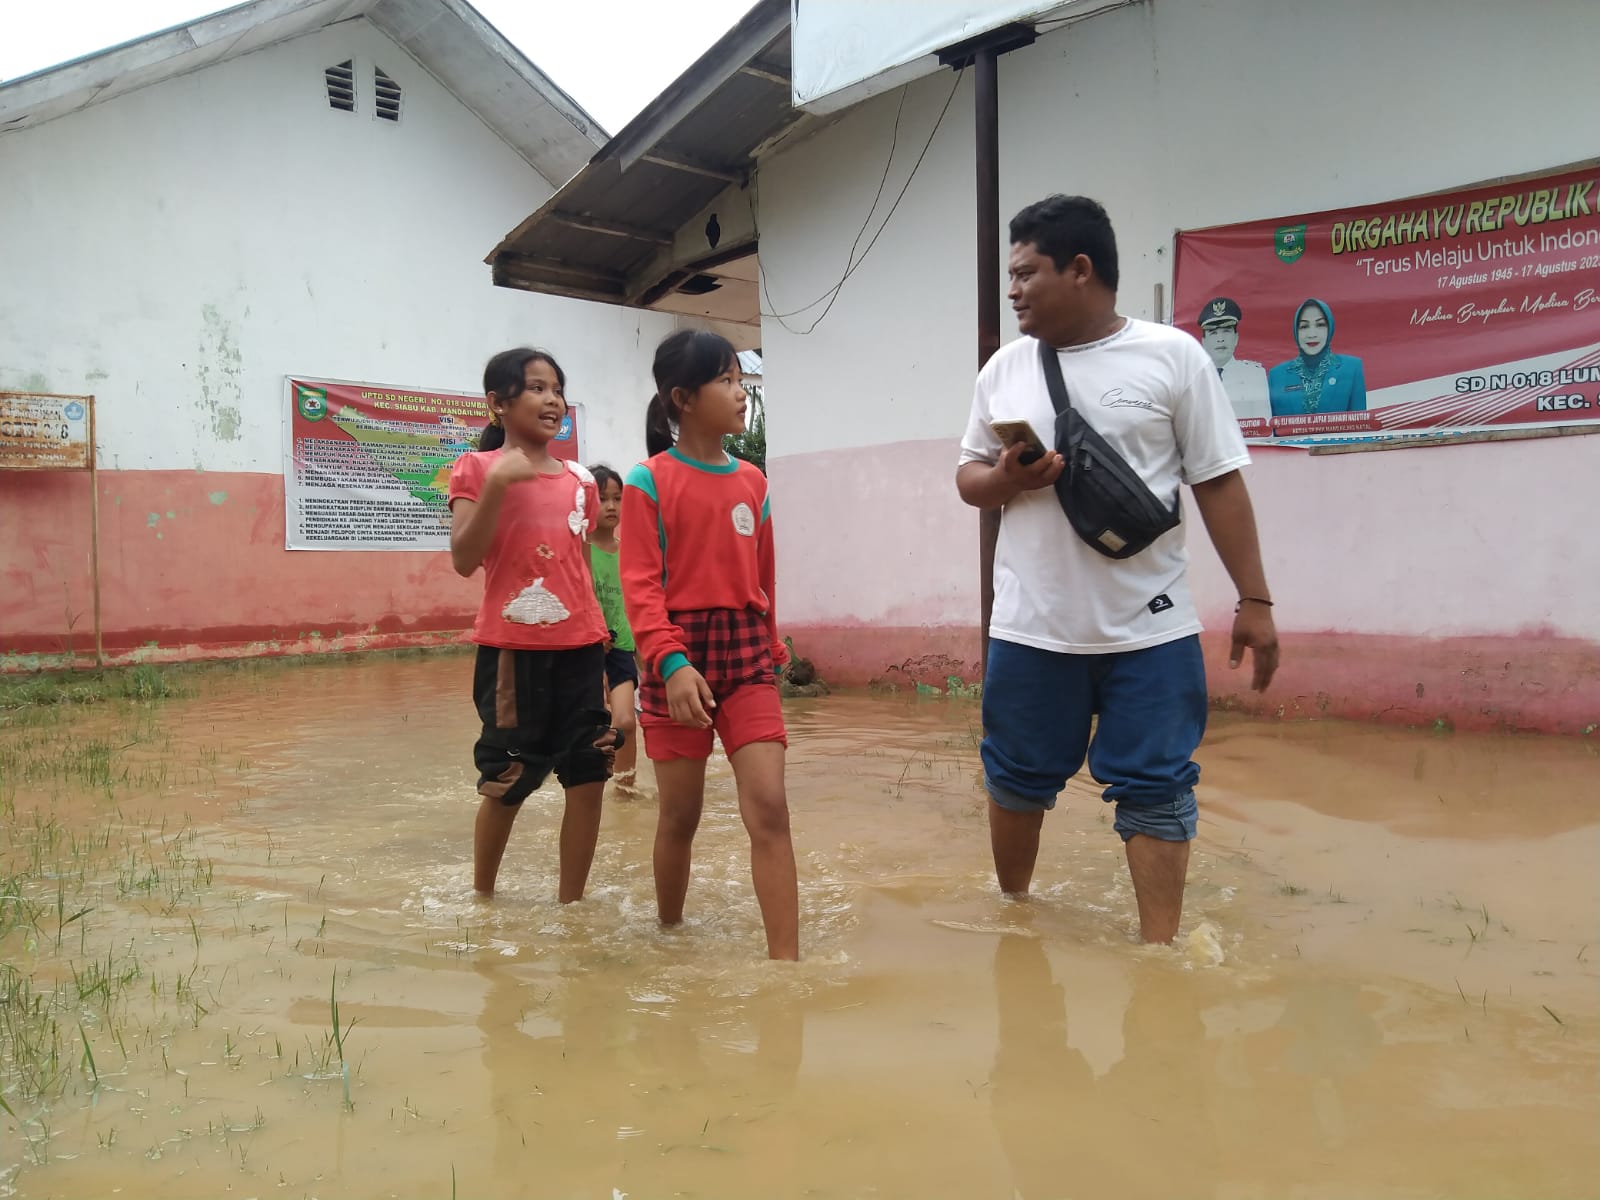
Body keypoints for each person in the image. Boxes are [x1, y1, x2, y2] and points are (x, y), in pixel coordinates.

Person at [955, 195, 1280, 944]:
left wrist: (1255, 601)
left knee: (1159, 786)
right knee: (1015, 780)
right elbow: (969, 479)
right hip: (1032, 628)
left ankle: (1158, 954)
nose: (1013, 292)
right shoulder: (1004, 371)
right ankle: (1016, 923)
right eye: (1009, 277)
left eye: (1025, 274)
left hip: (1151, 629)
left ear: (1079, 269)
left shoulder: (1173, 357)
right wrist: (1007, 479)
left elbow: (1219, 483)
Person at [618, 329, 798, 960]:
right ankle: (670, 937)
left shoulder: (754, 482)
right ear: (683, 398)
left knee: (770, 807)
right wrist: (671, 665)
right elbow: (640, 588)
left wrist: (771, 648)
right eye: (725, 380)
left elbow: (763, 580)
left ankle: (787, 970)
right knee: (680, 816)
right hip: (676, 658)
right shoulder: (647, 481)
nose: (741, 393)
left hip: (746, 659)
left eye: (740, 380)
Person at [447, 347, 620, 901]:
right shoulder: (475, 470)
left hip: (582, 649)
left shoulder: (581, 481)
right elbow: (463, 558)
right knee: (508, 779)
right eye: (537, 388)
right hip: (511, 653)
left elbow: (581, 564)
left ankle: (573, 907)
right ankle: (483, 900)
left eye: (557, 389)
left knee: (589, 773)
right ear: (498, 403)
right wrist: (499, 484)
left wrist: (608, 643)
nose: (553, 400)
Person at [586, 463, 640, 794]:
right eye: (602, 498)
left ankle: (625, 791)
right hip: (586, 651)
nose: (611, 506)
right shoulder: (580, 551)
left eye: (617, 499)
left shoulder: (629, 553)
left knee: (625, 722)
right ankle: (590, 788)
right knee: (592, 726)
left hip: (621, 648)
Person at [1267, 298, 1367, 415]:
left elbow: (1360, 423)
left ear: (1330, 328)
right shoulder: (1277, 375)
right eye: (1304, 326)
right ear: (1296, 331)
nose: (1312, 334)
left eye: (1320, 325)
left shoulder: (1351, 368)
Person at [1197, 296, 1270, 421]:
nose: (1220, 339)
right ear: (1203, 341)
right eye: (1213, 333)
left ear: (1236, 338)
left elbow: (1264, 426)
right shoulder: (1193, 379)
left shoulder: (1254, 375)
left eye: (1226, 331)